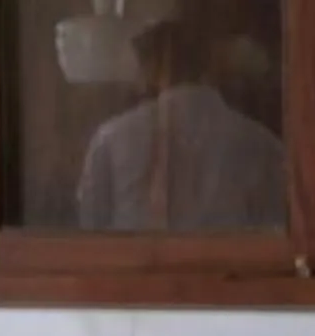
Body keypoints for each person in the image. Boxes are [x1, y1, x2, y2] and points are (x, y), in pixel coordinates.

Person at [74, 16, 288, 232]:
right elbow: (276, 229)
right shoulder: (261, 144)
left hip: (128, 263)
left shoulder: (111, 138)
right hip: (234, 264)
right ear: (212, 65)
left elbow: (92, 228)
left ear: (148, 70)